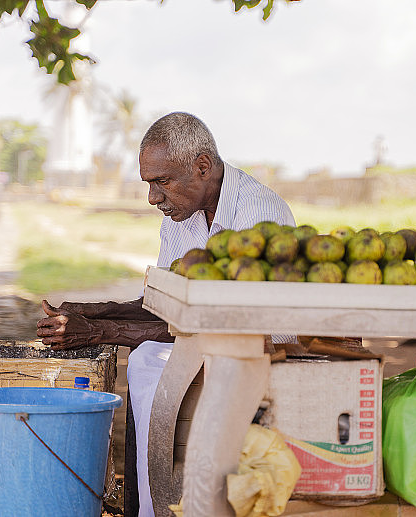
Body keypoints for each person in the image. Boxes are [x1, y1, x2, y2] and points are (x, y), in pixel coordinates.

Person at [36, 111, 295, 517]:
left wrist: (97, 331)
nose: (153, 197)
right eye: (149, 184)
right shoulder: (181, 215)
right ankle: (151, 504)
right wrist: (90, 311)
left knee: (144, 361)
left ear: (203, 166)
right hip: (212, 343)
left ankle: (156, 506)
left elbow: (213, 323)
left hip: (258, 349)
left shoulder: (258, 215)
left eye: (162, 181)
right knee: (143, 360)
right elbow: (166, 302)